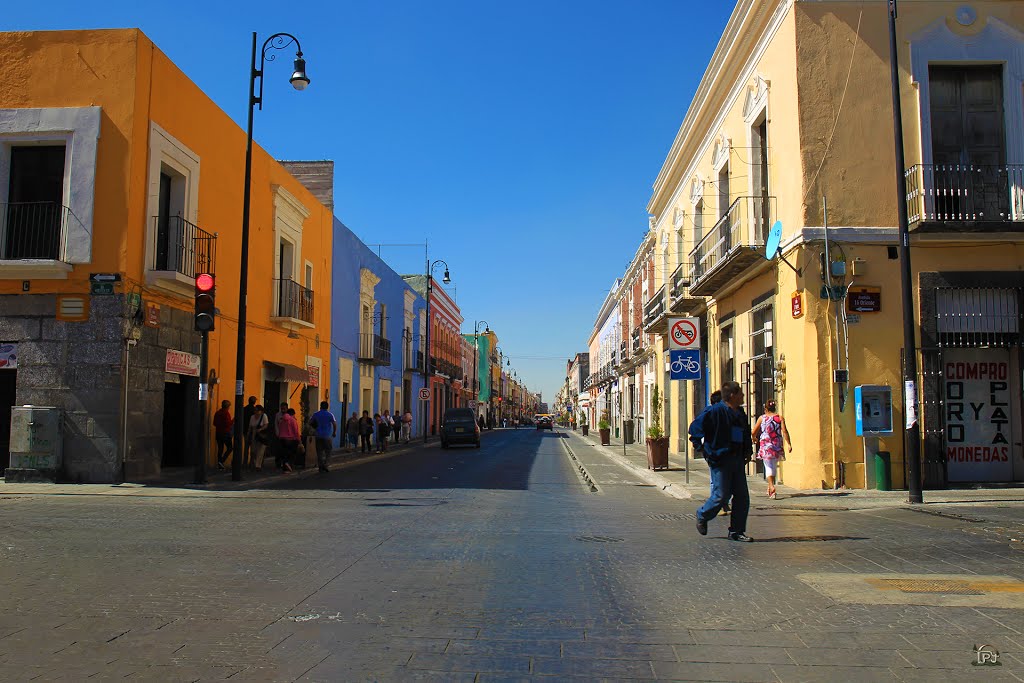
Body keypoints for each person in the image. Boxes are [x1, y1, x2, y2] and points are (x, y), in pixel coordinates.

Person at [693, 381, 754, 542]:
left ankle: (736, 531)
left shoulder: (740, 412)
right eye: (740, 393)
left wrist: (748, 451)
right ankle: (702, 514)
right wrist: (703, 449)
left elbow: (745, 432)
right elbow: (695, 429)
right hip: (720, 460)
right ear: (732, 395)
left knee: (742, 497)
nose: (743, 396)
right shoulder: (715, 411)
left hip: (737, 459)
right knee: (721, 495)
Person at [689, 390, 730, 516]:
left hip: (728, 453)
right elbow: (695, 428)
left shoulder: (730, 413)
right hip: (715, 453)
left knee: (726, 480)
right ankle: (714, 508)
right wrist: (699, 446)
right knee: (716, 480)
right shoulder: (711, 413)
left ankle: (723, 504)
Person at [752, 399, 792, 499]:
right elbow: (785, 431)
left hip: (765, 445)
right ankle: (770, 489)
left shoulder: (762, 418)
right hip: (776, 444)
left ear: (765, 408)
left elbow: (753, 432)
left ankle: (771, 486)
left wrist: (754, 438)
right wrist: (789, 444)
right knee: (773, 465)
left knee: (768, 466)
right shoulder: (779, 418)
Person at [310, 401, 337, 474]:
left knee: (319, 452)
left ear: (320, 406)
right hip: (327, 436)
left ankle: (320, 467)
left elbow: (311, 422)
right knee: (328, 451)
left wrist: (315, 428)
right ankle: (326, 464)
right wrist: (334, 432)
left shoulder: (316, 414)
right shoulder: (330, 415)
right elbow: (334, 424)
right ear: (327, 407)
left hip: (318, 435)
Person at [276, 407, 300, 473]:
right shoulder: (293, 420)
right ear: (293, 414)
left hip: (282, 439)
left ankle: (285, 468)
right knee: (292, 453)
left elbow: (280, 429)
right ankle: (289, 464)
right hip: (291, 439)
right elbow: (296, 431)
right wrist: (299, 440)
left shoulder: (281, 420)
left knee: (284, 453)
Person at [248, 404, 270, 471]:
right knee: (253, 450)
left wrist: (260, 429)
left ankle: (258, 465)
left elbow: (266, 425)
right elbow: (250, 426)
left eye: (257, 410)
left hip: (261, 433)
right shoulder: (252, 417)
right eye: (255, 410)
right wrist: (248, 434)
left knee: (261, 450)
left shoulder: (264, 416)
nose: (256, 412)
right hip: (254, 433)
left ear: (261, 411)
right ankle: (254, 463)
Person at [213, 400, 234, 469]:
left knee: (220, 448)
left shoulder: (217, 413)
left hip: (218, 433)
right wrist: (233, 420)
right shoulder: (226, 414)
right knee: (230, 448)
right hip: (225, 433)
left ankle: (220, 464)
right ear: (228, 406)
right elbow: (228, 424)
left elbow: (214, 423)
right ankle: (221, 461)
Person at [242, 395, 257, 467]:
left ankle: (245, 462)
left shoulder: (244, 409)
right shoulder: (255, 410)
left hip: (245, 430)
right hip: (252, 430)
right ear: (254, 402)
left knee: (246, 447)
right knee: (253, 447)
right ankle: (251, 462)